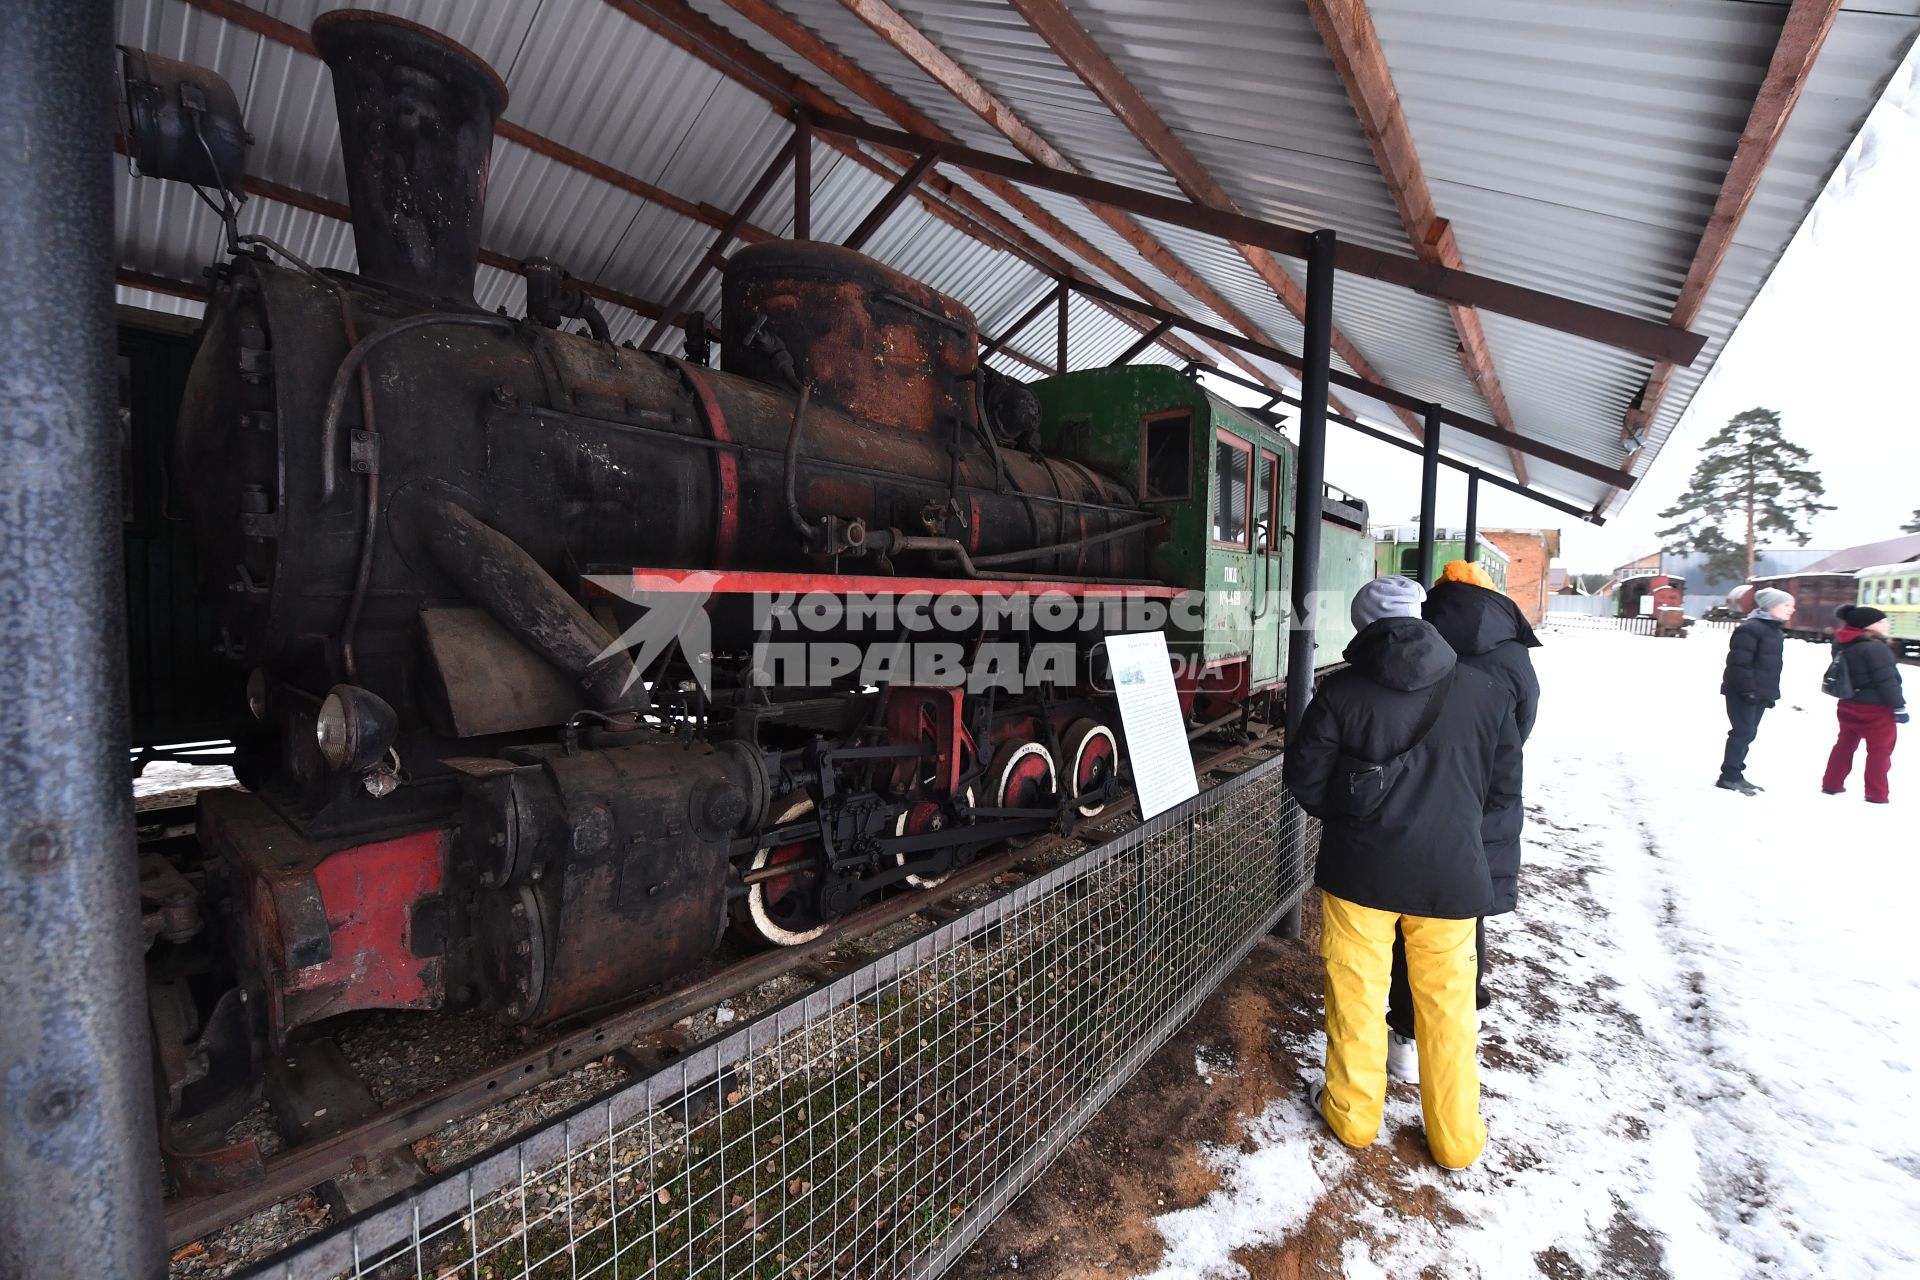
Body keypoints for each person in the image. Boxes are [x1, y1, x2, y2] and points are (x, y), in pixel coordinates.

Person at [1284, 575, 1522, 1170]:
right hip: (1451, 879)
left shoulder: (1340, 694)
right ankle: (1456, 1139)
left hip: (1360, 874)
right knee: (1447, 1008)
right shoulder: (1487, 690)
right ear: (1423, 618)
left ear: (1366, 625)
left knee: (1357, 994)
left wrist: (1356, 816)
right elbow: (1502, 794)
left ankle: (1352, 1115)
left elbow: (1306, 782)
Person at [1378, 559, 1541, 1083]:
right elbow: (1520, 731)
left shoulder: (1423, 634)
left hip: (1409, 799)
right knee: (1465, 917)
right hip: (1478, 803)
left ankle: (1403, 1034)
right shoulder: (1514, 656)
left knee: (1406, 920)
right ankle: (1452, 1027)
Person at [1821, 604, 1907, 803]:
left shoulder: (1842, 643)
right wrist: (1899, 706)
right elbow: (1887, 681)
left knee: (1844, 745)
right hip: (1876, 709)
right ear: (1867, 626)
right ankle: (1876, 794)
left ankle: (1831, 783)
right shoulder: (1876, 648)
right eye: (1881, 621)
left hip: (1848, 704)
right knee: (1879, 751)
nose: (1886, 625)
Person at [1718, 587, 1793, 795]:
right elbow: (1739, 664)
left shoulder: (1774, 631)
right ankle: (1729, 776)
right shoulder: (1750, 628)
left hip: (1759, 693)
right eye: (1787, 605)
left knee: (1748, 733)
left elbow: (1768, 668)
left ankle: (1736, 774)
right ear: (1770, 606)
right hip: (1742, 692)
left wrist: (1769, 694)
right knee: (1742, 733)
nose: (1792, 610)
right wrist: (1748, 691)